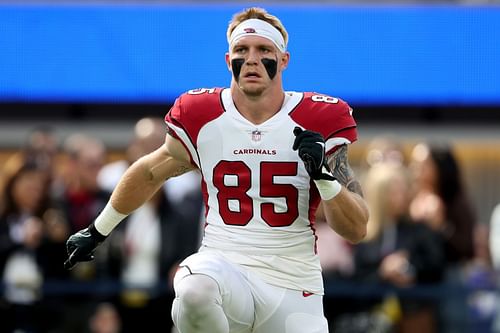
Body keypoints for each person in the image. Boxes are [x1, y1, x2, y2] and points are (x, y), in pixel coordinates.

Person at [63, 7, 369, 333]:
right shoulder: (201, 114)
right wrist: (98, 230)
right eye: (242, 50)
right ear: (228, 60)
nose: (251, 59)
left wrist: (323, 176)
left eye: (264, 50)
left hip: (292, 282)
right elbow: (150, 172)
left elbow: (357, 228)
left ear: (283, 60)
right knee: (194, 290)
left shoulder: (319, 118)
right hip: (225, 268)